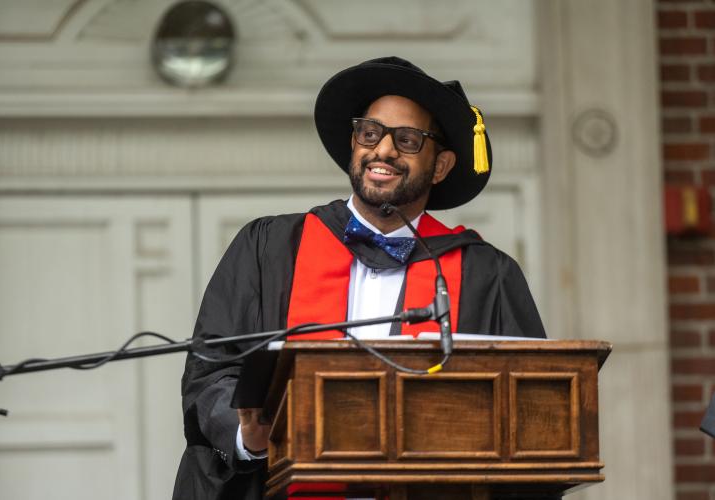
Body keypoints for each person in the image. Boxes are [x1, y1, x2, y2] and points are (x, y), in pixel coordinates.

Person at [171, 56, 546, 500]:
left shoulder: (485, 273)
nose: (383, 150)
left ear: (441, 166)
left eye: (407, 140)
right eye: (370, 133)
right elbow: (211, 372)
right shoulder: (269, 247)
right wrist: (247, 435)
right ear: (355, 142)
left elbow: (531, 409)